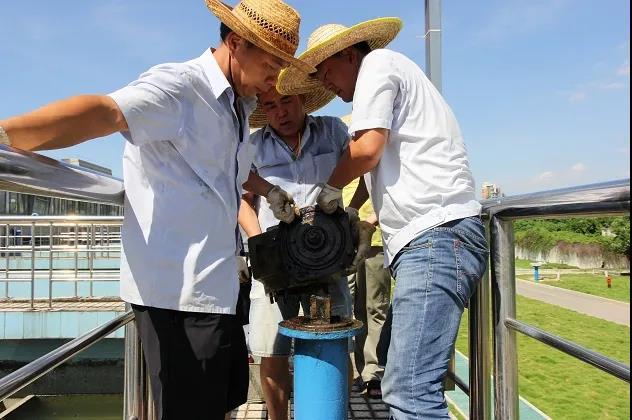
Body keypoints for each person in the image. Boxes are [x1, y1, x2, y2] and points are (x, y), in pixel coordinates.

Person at [0, 0, 310, 418]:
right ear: (237, 44)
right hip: (178, 295)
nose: (275, 78)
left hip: (216, 284)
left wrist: (269, 190)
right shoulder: (181, 87)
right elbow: (107, 112)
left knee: (220, 403)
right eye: (271, 65)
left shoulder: (237, 108)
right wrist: (7, 134)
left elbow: (229, 174)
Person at [277, 17, 489, 419]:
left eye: (326, 71)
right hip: (432, 238)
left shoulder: (376, 65)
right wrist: (356, 214)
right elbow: (377, 166)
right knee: (401, 376)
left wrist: (328, 190)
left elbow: (367, 150)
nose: (327, 84)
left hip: (436, 237)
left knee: (410, 391)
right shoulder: (393, 73)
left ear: (348, 54)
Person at [238, 85, 362, 420]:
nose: (280, 112)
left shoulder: (333, 130)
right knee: (271, 352)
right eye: (270, 105)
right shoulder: (253, 145)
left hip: (328, 260)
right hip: (276, 265)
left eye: (286, 101)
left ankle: (333, 412)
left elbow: (366, 165)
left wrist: (353, 211)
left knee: (336, 346)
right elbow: (239, 197)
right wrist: (258, 240)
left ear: (302, 99)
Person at [342, 177, 391, 399]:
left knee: (375, 308)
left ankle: (374, 373)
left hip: (375, 238)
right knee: (346, 308)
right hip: (342, 239)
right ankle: (352, 370)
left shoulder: (378, 155)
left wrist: (370, 222)